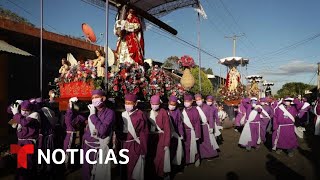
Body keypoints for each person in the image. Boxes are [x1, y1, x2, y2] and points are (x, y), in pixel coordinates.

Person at [82, 90, 115, 180]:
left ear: (103, 98)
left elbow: (103, 130)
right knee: (87, 173)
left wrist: (93, 116)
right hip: (88, 147)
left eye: (96, 97)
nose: (94, 100)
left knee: (99, 174)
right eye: (92, 98)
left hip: (99, 148)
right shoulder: (92, 110)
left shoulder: (109, 113)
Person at [117, 93, 148, 180]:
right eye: (126, 103)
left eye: (130, 103)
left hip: (135, 146)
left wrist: (143, 150)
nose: (127, 105)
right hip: (123, 146)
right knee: (123, 169)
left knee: (134, 169)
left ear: (135, 103)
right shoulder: (122, 114)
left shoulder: (140, 115)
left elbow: (144, 133)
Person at [10, 100, 40, 179]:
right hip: (19, 141)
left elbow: (25, 123)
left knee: (28, 164)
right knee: (20, 164)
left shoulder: (35, 115)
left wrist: (16, 114)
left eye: (26, 111)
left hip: (28, 141)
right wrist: (14, 110)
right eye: (22, 110)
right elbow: (12, 125)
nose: (24, 112)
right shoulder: (20, 116)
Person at [146, 95, 171, 179]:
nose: (154, 105)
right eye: (153, 104)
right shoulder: (148, 113)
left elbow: (167, 128)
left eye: (156, 104)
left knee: (161, 157)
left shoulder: (163, 112)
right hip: (152, 138)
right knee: (152, 156)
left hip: (161, 137)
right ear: (150, 103)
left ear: (159, 104)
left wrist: (167, 143)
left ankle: (162, 173)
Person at [64, 97, 87, 170]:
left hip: (70, 133)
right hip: (71, 133)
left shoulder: (72, 113)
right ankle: (68, 164)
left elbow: (83, 119)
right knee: (68, 148)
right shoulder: (73, 114)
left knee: (67, 149)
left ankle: (66, 166)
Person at [195, 94, 219, 160]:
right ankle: (203, 155)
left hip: (206, 126)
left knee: (208, 141)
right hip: (199, 127)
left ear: (202, 99)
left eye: (199, 99)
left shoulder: (207, 107)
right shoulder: (195, 108)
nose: (198, 101)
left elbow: (211, 117)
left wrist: (211, 127)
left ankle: (210, 155)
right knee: (201, 142)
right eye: (196, 100)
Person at [182, 94, 201, 167]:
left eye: (188, 101)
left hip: (192, 132)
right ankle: (187, 161)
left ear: (191, 101)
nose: (186, 102)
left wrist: (197, 134)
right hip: (185, 132)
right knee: (186, 147)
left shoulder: (195, 110)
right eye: (185, 101)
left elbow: (197, 123)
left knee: (194, 146)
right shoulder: (182, 111)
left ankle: (197, 159)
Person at [167, 95, 184, 167]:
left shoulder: (177, 112)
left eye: (174, 104)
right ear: (168, 103)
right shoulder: (165, 111)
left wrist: (181, 133)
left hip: (175, 133)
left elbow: (180, 124)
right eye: (171, 104)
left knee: (175, 149)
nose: (172, 106)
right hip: (167, 134)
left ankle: (176, 165)